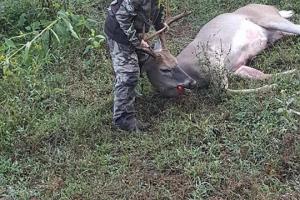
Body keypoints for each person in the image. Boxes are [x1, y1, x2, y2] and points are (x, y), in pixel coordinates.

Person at [104, 0, 165, 132]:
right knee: (129, 74)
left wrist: (160, 25)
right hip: (119, 33)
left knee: (143, 60)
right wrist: (137, 41)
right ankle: (123, 120)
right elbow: (122, 17)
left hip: (134, 30)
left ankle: (128, 96)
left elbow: (157, 7)